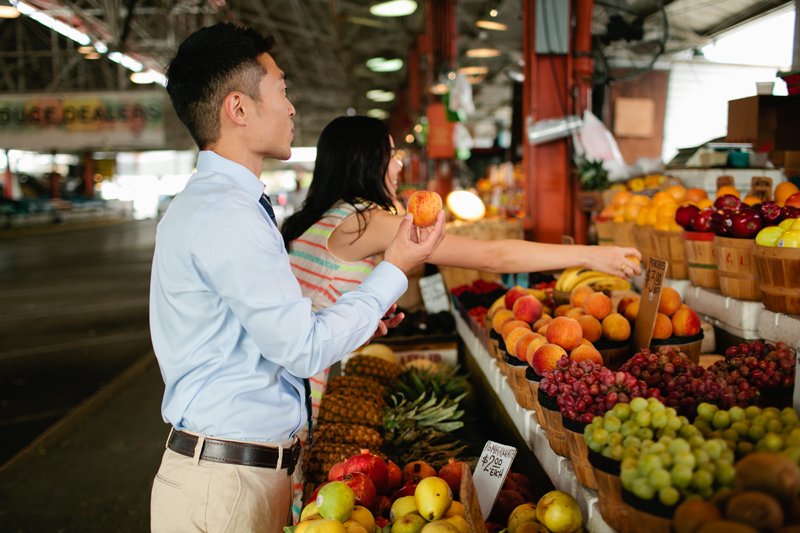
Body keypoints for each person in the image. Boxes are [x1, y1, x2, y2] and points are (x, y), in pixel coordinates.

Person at [149, 24, 445, 533]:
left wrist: (355, 321)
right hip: (225, 489)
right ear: (238, 109)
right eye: (281, 90)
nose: (291, 107)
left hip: (237, 476)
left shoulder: (224, 204)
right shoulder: (227, 213)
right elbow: (302, 350)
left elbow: (261, 335)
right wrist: (395, 266)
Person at [281, 115, 642, 316]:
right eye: (392, 156)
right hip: (304, 391)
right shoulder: (365, 221)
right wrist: (589, 254)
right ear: (365, 162)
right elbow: (491, 256)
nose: (398, 167)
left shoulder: (316, 218)